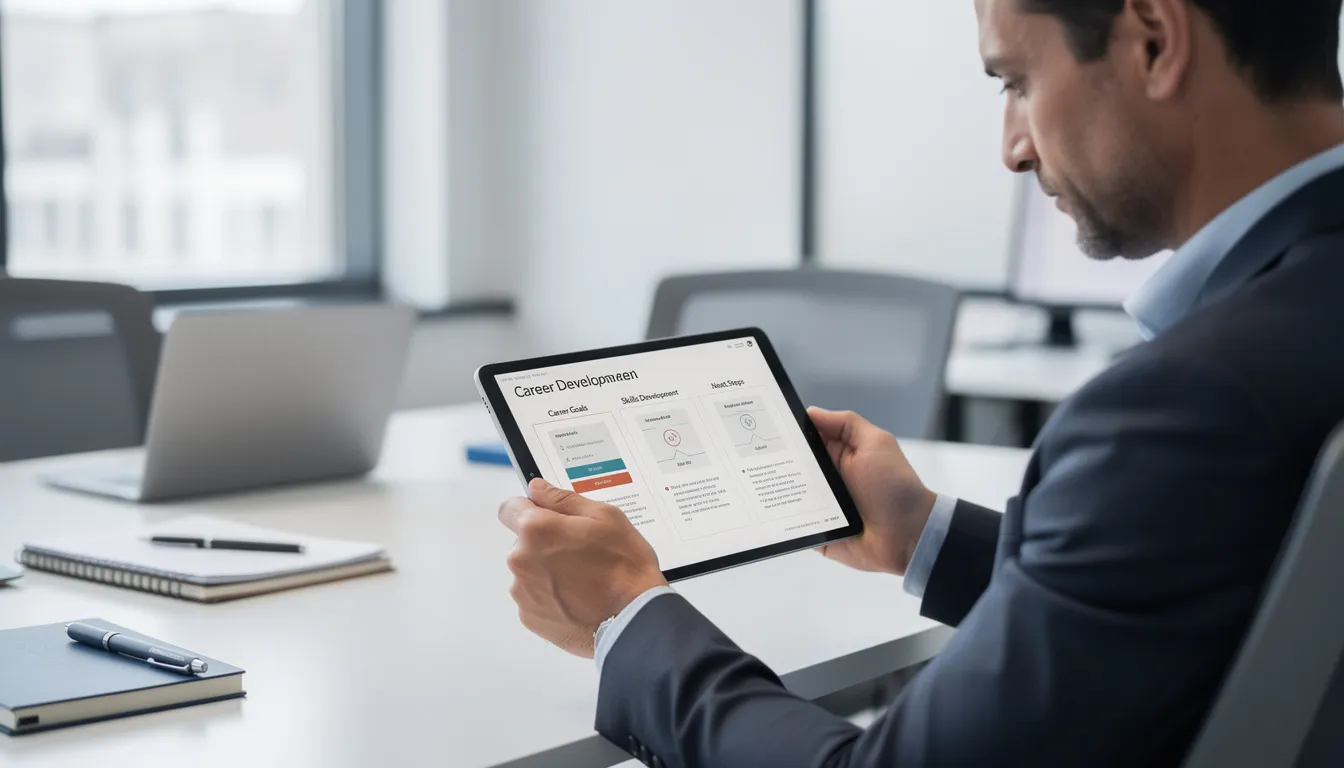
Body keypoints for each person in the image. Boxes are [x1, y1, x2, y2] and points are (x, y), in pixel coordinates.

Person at [497, 0, 1344, 764]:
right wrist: (923, 533)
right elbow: (1174, 590)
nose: (1012, 148)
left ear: (1155, 41)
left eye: (1016, 80)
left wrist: (627, 614)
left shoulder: (1182, 409)